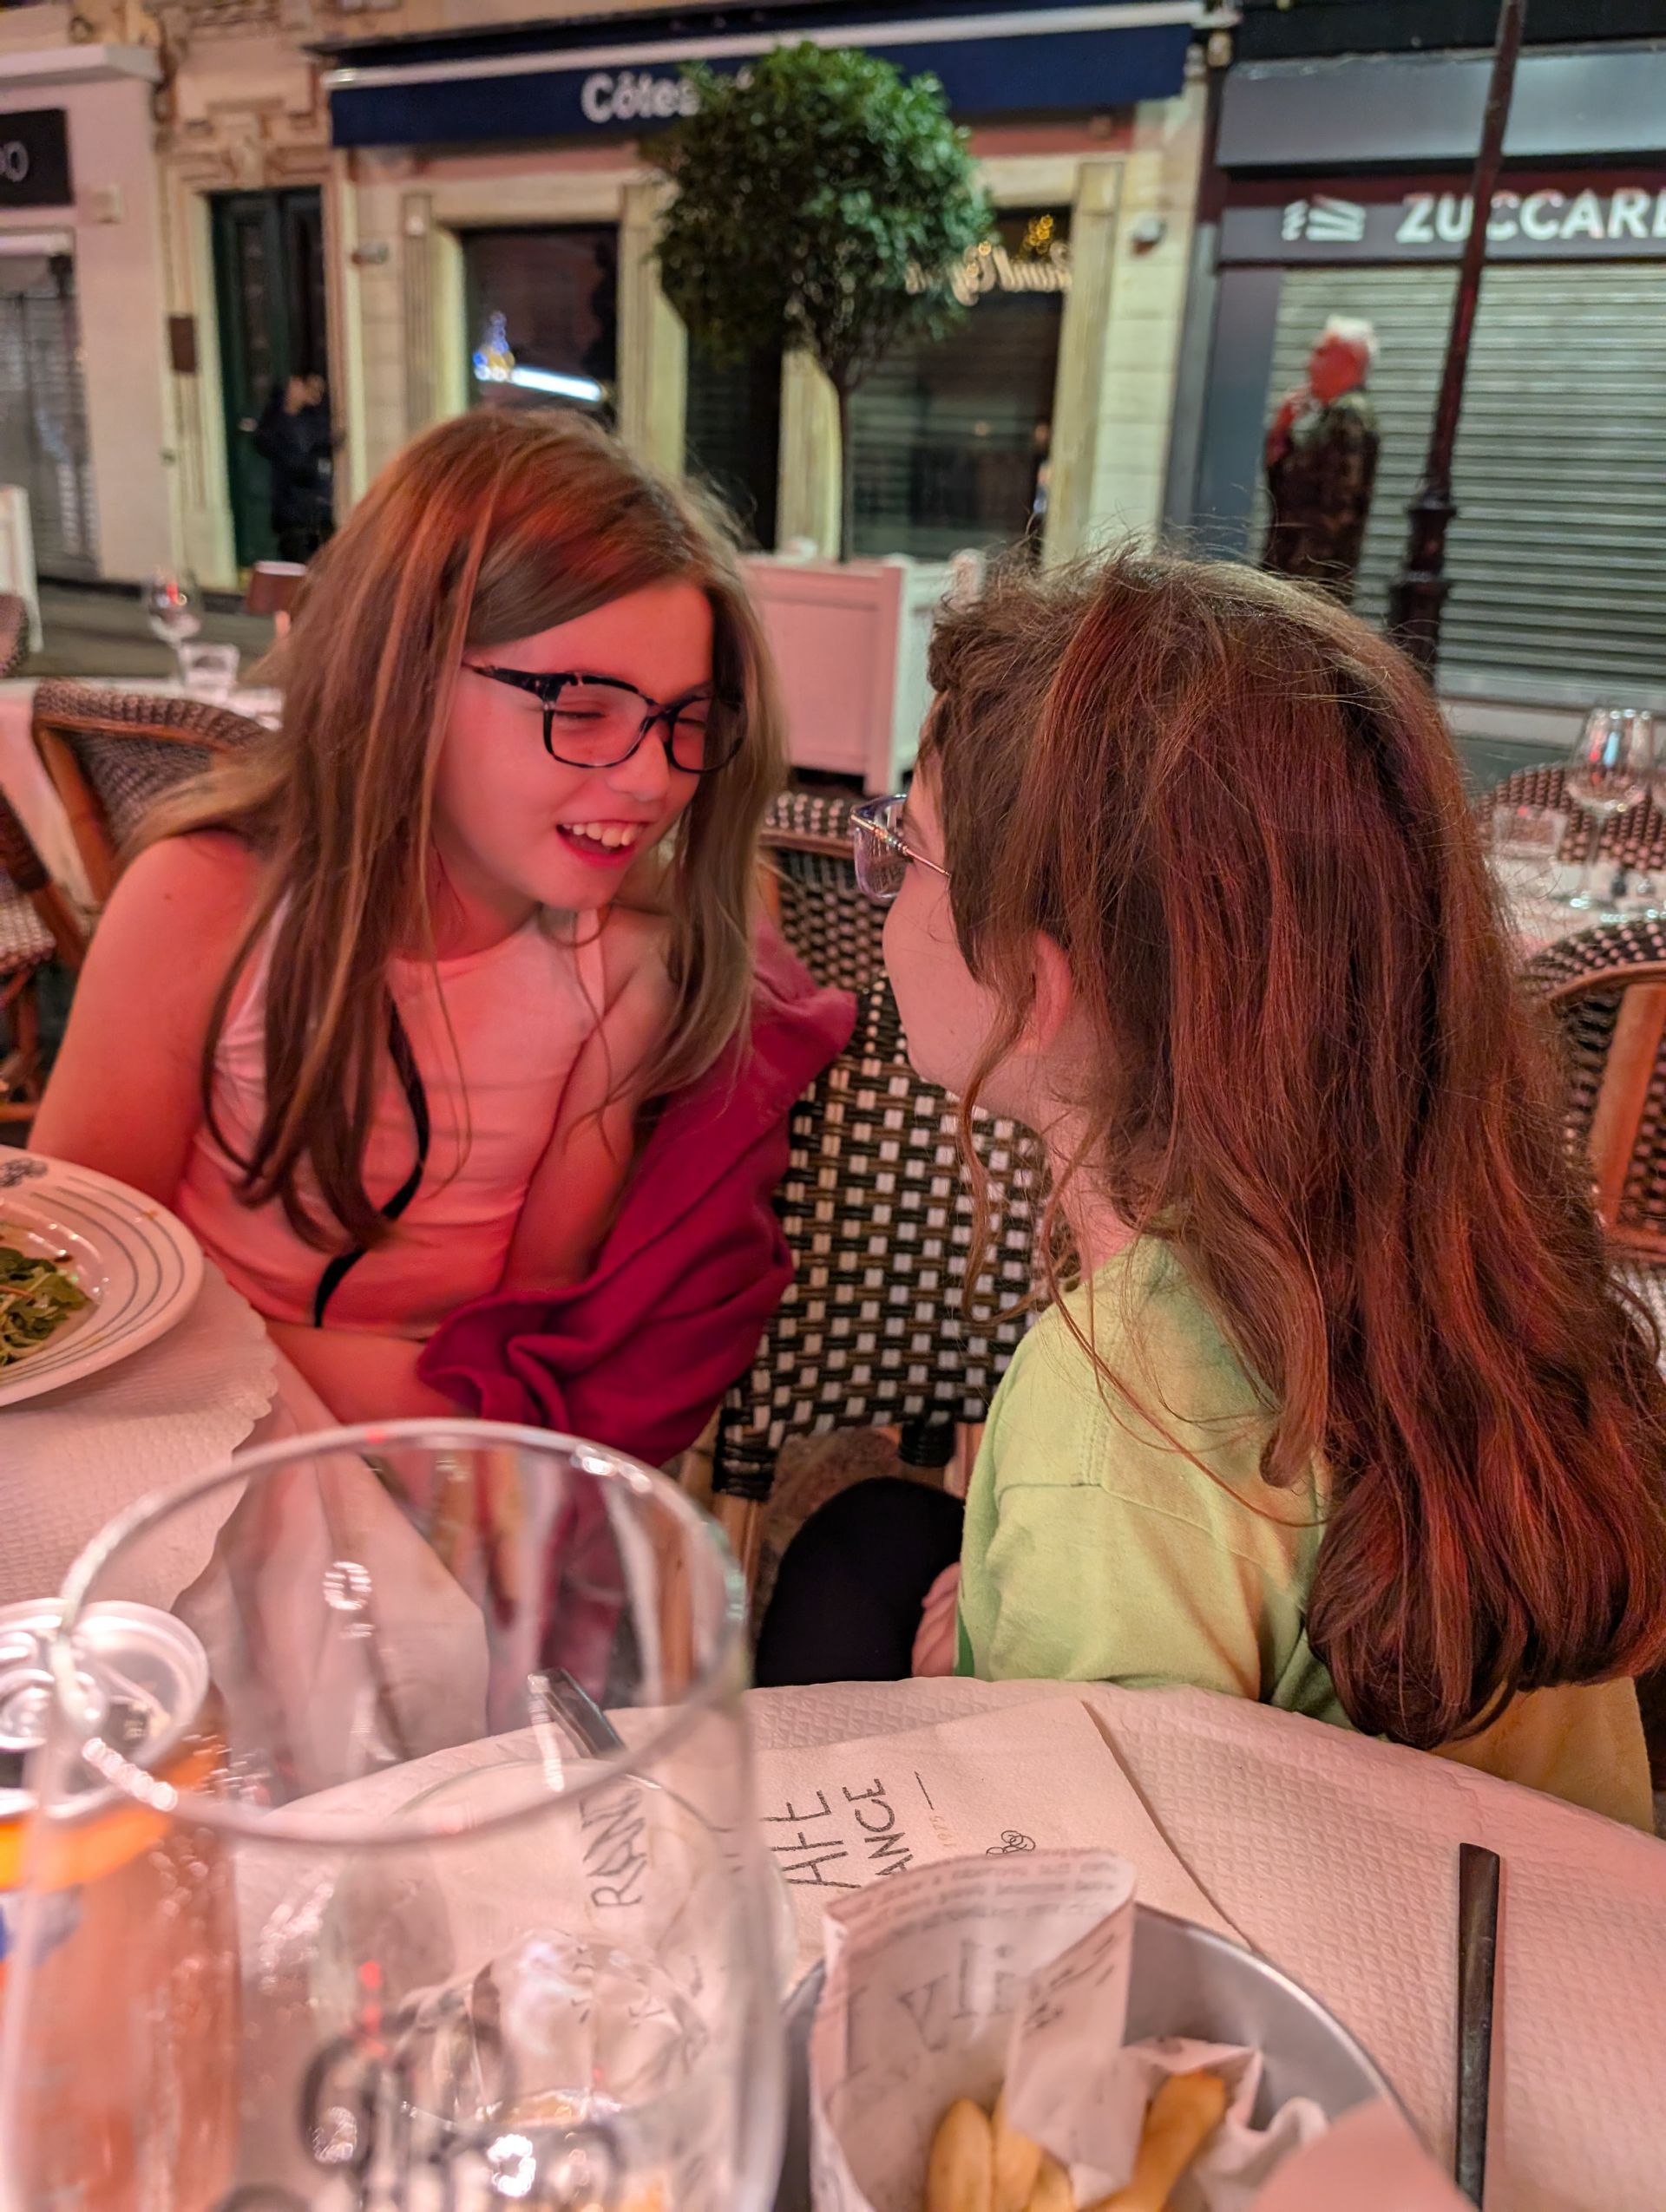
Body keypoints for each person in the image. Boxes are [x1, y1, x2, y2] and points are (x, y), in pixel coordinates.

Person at [757, 552, 1666, 1833]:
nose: (883, 883)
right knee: (877, 1535)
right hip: (1555, 1917)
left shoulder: (1118, 1406)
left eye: (905, 850)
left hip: (1333, 1981)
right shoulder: (1466, 1243)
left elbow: (1093, 1891)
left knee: (851, 1587)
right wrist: (1029, 1597)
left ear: (1034, 973)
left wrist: (965, 1699)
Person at [31, 409, 794, 1429]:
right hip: (173, 1409)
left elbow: (520, 1332)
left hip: (423, 1438)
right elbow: (73, 1264)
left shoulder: (621, 960)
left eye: (685, 720)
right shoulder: (203, 901)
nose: (651, 777)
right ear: (404, 677)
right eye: (580, 708)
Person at [1261, 316, 1380, 605]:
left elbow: (1338, 508)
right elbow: (1289, 488)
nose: (1309, 364)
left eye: (1321, 353)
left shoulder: (1350, 414)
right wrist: (1281, 431)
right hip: (1298, 578)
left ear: (1349, 359)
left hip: (1311, 584)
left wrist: (1306, 583)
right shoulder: (1332, 417)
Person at [253, 371, 335, 564]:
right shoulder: (278, 418)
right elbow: (269, 445)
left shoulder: (316, 418)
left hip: (318, 508)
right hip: (292, 510)